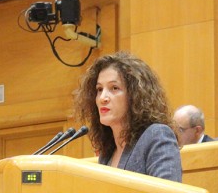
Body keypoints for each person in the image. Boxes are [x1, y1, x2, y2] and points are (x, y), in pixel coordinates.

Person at [74, 51, 182, 182]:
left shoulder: (157, 135)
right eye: (99, 89)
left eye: (114, 88)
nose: (103, 98)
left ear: (135, 95)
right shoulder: (107, 153)